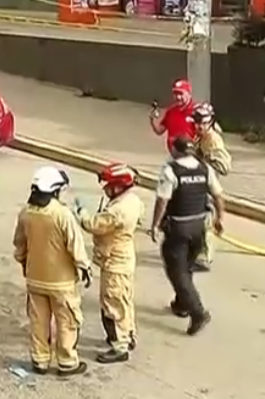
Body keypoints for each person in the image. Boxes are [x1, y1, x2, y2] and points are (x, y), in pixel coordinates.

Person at [13, 166, 93, 376]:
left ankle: (40, 361)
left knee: (39, 321)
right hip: (62, 282)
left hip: (34, 279)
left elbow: (19, 245)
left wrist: (24, 264)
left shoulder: (25, 213)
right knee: (67, 321)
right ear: (55, 190)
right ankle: (67, 363)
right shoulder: (62, 214)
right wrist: (85, 267)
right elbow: (75, 246)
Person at [149, 137, 225, 335]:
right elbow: (218, 195)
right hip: (198, 228)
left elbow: (162, 201)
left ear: (175, 150)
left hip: (178, 228)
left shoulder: (170, 171)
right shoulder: (204, 168)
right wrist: (220, 219)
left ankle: (198, 312)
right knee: (186, 266)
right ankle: (182, 303)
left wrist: (155, 225)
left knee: (178, 272)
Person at [73, 163, 144, 364]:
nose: (105, 189)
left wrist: (81, 212)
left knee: (112, 304)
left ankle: (119, 345)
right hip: (125, 257)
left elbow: (93, 225)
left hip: (114, 261)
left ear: (120, 186)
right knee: (125, 300)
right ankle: (128, 335)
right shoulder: (133, 200)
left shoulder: (117, 211)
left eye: (109, 185)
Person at [191, 102, 232, 270]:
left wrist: (208, 160)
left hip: (207, 185)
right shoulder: (201, 137)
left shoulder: (213, 140)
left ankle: (204, 259)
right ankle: (195, 252)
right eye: (197, 122)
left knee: (204, 221)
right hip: (199, 183)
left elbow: (225, 167)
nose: (199, 126)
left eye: (203, 122)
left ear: (210, 122)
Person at [150, 79, 197, 150]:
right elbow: (159, 131)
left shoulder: (196, 111)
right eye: (175, 93)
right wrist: (152, 120)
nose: (178, 97)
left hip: (190, 154)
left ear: (189, 94)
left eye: (181, 94)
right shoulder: (171, 111)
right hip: (174, 154)